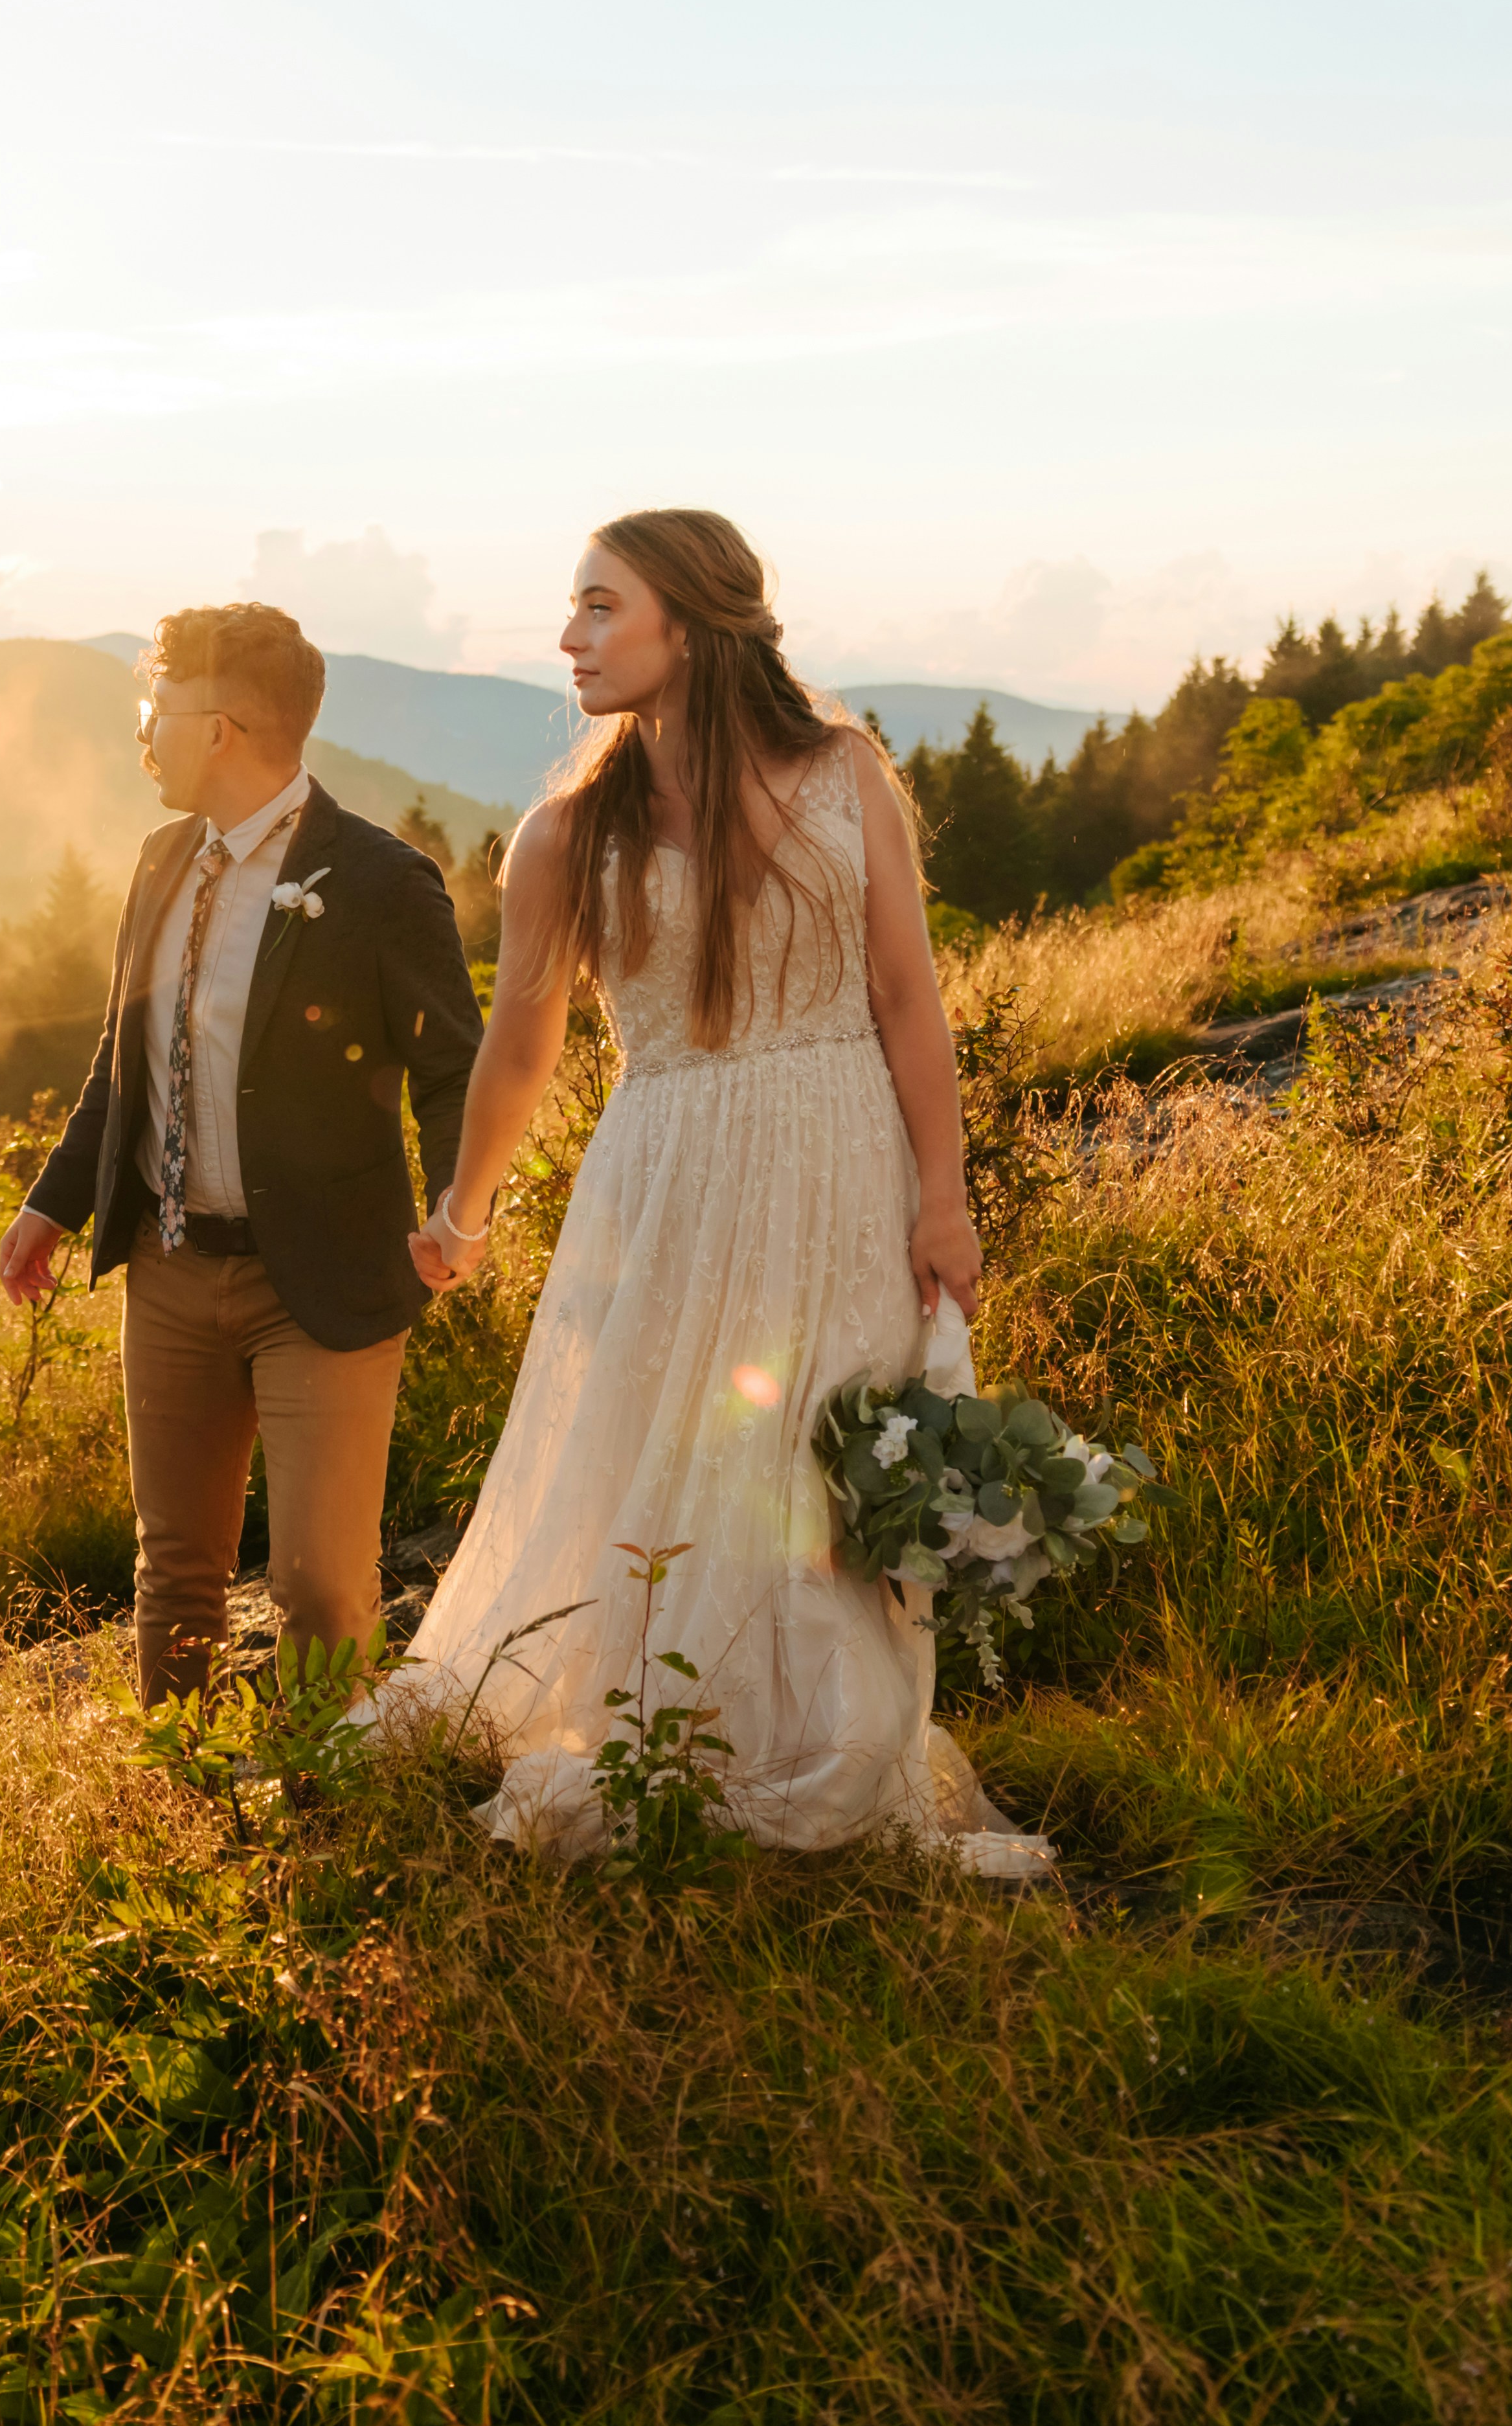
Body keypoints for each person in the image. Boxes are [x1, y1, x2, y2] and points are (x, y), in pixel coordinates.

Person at [361, 510, 1048, 1872]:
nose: (569, 636)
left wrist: (945, 1198)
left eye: (601, 606)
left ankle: (836, 1741)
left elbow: (909, 995)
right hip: (666, 1178)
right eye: (574, 608)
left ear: (692, 619)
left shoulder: (845, 770)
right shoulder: (566, 831)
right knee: (667, 1456)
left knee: (820, 1454)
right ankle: (663, 1731)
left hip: (844, 1158)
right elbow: (521, 1044)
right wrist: (464, 1211)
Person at [0, 603, 488, 1705]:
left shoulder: (378, 882)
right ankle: (182, 1804)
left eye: (155, 708)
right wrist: (55, 1203)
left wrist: (460, 1207)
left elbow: (455, 1067)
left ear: (221, 727)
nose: (141, 730)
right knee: (174, 1575)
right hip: (170, 1277)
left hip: (321, 1282)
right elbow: (124, 1060)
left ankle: (329, 1807)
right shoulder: (160, 862)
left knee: (319, 1589)